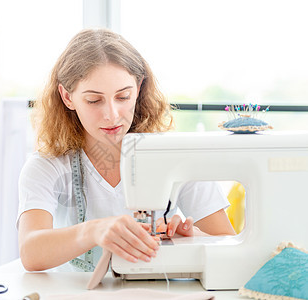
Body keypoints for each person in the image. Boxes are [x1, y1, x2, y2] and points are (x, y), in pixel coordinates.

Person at [17, 28, 235, 272]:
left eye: (123, 96)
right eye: (93, 100)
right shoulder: (48, 166)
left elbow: (228, 242)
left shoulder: (177, 158)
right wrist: (95, 230)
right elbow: (30, 252)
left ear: (139, 88)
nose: (111, 115)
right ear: (67, 97)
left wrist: (192, 237)